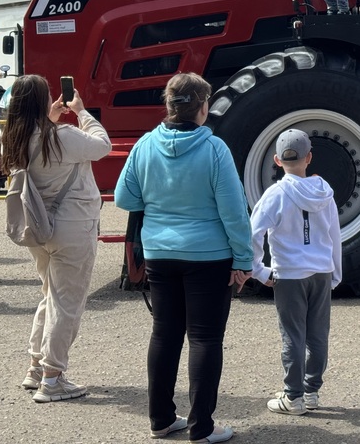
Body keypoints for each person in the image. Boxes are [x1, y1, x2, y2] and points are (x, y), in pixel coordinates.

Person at [114, 72, 253, 443]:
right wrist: (243, 259)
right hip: (208, 256)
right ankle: (202, 427)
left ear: (168, 104)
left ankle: (161, 419)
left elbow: (125, 198)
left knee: (164, 335)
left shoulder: (145, 145)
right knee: (205, 340)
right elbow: (234, 211)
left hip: (160, 253)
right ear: (203, 108)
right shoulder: (214, 150)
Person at [0, 75, 112, 402]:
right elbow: (102, 145)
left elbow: (41, 143)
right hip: (72, 226)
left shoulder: (15, 139)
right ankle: (53, 377)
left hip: (37, 228)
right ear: (43, 100)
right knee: (67, 303)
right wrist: (81, 111)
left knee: (50, 295)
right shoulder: (62, 135)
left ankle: (35, 367)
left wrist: (51, 118)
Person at [250, 129, 342, 416]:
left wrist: (258, 270)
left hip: (289, 274)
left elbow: (253, 233)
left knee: (293, 335)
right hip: (321, 271)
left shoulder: (275, 194)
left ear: (277, 160)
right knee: (318, 334)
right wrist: (335, 273)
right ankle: (312, 390)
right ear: (309, 157)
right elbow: (334, 235)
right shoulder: (324, 192)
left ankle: (293, 396)